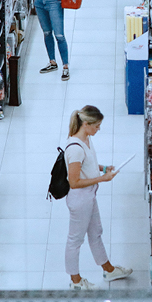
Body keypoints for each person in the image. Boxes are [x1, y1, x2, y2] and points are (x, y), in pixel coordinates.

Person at [64, 106, 132, 290]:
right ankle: (76, 281)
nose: (98, 129)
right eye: (97, 126)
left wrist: (103, 168)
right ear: (86, 124)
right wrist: (103, 178)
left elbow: (88, 165)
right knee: (75, 240)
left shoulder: (86, 139)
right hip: (80, 200)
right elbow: (74, 182)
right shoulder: (75, 148)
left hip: (89, 196)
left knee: (96, 232)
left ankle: (109, 270)